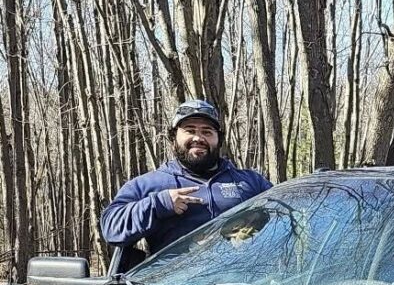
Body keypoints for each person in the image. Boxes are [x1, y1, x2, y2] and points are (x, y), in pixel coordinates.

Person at [101, 99, 272, 258]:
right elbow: (111, 227)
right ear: (173, 138)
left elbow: (284, 218)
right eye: (189, 130)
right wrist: (159, 205)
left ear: (219, 140)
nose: (198, 138)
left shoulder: (251, 183)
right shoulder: (147, 184)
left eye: (207, 131)